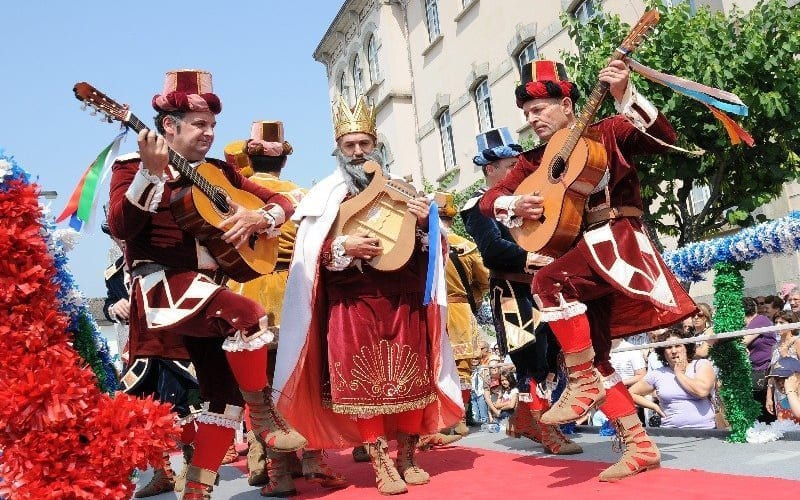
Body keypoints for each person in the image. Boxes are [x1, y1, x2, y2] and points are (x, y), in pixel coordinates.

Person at [479, 59, 697, 480]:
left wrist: (623, 94)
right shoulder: (533, 161)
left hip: (619, 241)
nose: (532, 118)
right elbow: (492, 200)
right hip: (584, 253)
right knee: (593, 356)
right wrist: (513, 205)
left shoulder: (609, 131)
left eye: (540, 108)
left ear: (566, 105)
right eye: (526, 113)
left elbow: (664, 137)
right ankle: (639, 445)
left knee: (546, 281)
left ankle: (579, 384)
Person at [107, 69, 306, 500]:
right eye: (200, 124)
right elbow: (120, 224)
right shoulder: (130, 166)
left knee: (223, 397)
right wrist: (150, 176)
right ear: (168, 126)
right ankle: (266, 416)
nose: (210, 133)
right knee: (250, 313)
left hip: (209, 294)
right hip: (162, 290)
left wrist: (261, 217)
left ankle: (196, 491)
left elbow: (284, 201)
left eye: (213, 125)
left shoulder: (220, 172)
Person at [273, 94, 462, 495]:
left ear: (376, 144)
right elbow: (310, 260)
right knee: (363, 386)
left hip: (404, 298)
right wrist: (343, 247)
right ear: (338, 150)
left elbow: (436, 249)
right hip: (352, 305)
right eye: (349, 145)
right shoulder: (325, 197)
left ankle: (407, 456)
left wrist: (425, 223)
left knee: (412, 381)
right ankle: (380, 461)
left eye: (364, 143)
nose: (358, 152)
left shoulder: (404, 191)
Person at [224, 122, 346, 495]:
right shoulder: (304, 195)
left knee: (259, 384)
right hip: (295, 287)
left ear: (250, 158)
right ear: (284, 161)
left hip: (246, 291)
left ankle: (272, 469)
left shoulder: (236, 194)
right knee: (303, 376)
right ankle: (313, 457)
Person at [461, 126, 580, 455]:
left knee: (553, 356)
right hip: (512, 291)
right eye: (513, 165)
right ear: (491, 170)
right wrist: (530, 257)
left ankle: (529, 420)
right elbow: (491, 250)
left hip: (542, 286)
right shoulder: (477, 206)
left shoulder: (527, 197)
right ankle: (543, 427)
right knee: (530, 360)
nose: (520, 171)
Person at [102, 222, 201, 497]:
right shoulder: (114, 273)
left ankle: (192, 468)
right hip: (138, 351)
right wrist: (113, 308)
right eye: (117, 237)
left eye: (126, 235)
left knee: (183, 407)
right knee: (139, 412)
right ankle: (162, 472)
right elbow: (109, 305)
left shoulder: (165, 257)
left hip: (173, 345)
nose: (122, 241)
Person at [434, 190, 489, 438]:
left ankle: (441, 418)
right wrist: (472, 300)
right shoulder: (466, 246)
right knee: (463, 368)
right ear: (452, 218)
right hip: (459, 310)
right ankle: (461, 419)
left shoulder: (424, 243)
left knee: (436, 367)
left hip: (433, 310)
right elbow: (484, 280)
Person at [630, 329, 717, 429]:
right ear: (663, 352)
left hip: (704, 430)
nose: (674, 351)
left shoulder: (701, 365)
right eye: (669, 347)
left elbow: (702, 392)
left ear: (686, 348)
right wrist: (654, 406)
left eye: (678, 345)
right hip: (671, 431)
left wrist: (679, 373)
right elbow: (630, 393)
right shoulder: (658, 373)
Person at [743, 297, 777, 423]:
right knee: (759, 412)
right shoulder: (747, 325)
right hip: (755, 371)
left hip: (765, 371)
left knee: (766, 412)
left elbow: (742, 342)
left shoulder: (760, 320)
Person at [766, 357, 800, 422]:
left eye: (785, 378)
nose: (780, 383)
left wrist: (790, 390)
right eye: (777, 380)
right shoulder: (782, 404)